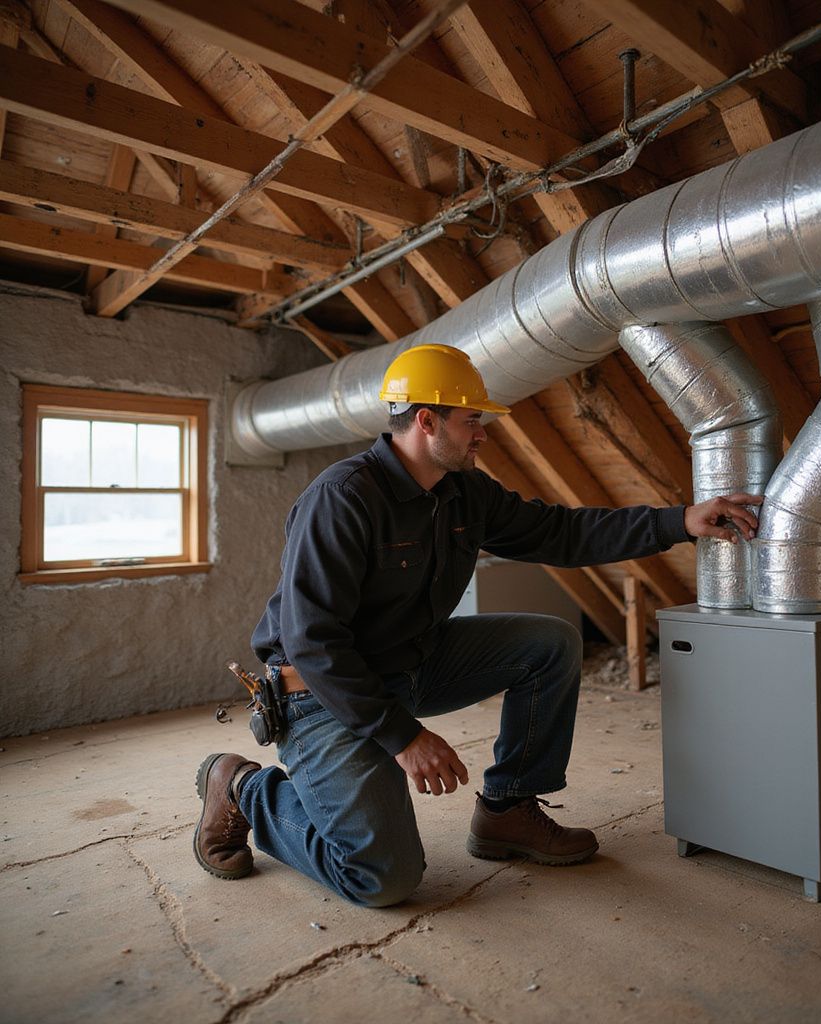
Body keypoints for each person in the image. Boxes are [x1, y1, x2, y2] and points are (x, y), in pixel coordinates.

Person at [193, 343, 761, 907]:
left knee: (549, 643)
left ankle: (507, 810)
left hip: (413, 662)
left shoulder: (465, 492)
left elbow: (559, 533)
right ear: (425, 420)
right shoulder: (342, 499)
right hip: (323, 693)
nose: (483, 434)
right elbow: (314, 646)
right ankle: (244, 788)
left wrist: (679, 521)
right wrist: (404, 737)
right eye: (472, 421)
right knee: (380, 878)